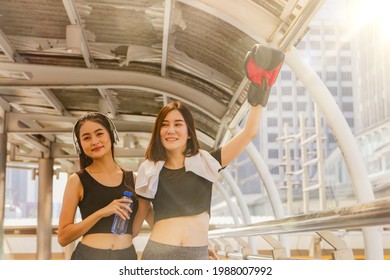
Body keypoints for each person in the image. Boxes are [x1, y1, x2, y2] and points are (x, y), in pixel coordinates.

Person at [132, 44, 285, 260]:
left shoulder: (206, 162)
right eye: (164, 125)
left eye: (178, 124)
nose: (171, 130)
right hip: (159, 252)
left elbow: (249, 132)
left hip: (197, 254)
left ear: (188, 132)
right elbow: (142, 214)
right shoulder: (148, 169)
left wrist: (261, 87)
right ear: (158, 132)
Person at [58, 112, 140, 260]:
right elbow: (63, 238)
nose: (95, 141)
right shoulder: (77, 180)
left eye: (99, 134)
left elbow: (136, 229)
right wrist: (101, 213)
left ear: (112, 136)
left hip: (126, 258)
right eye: (86, 138)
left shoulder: (133, 179)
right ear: (79, 146)